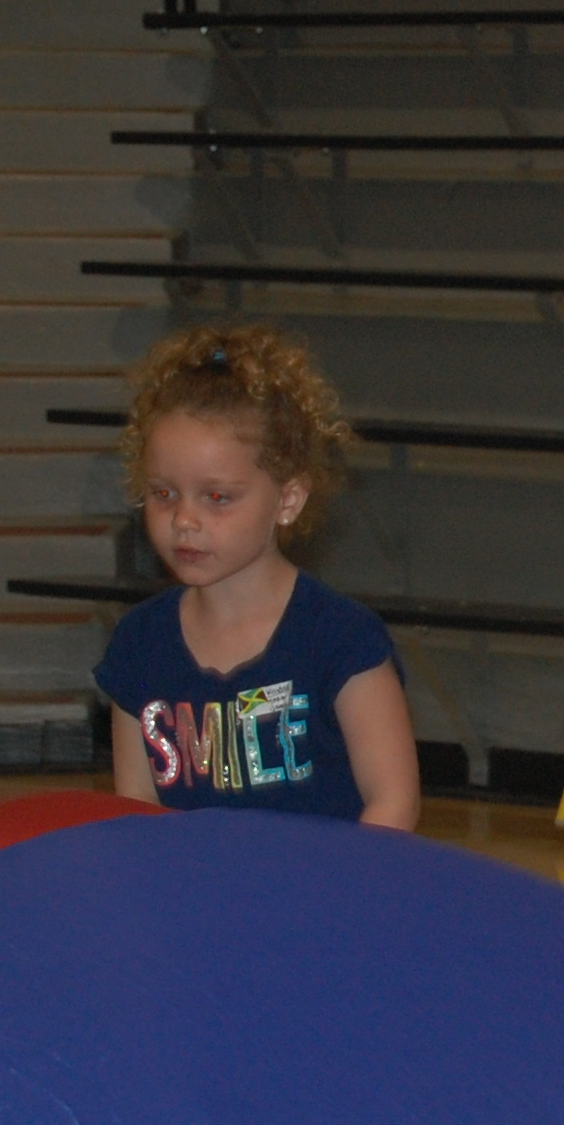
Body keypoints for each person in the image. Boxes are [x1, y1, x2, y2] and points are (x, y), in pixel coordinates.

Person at [97, 324, 420, 830]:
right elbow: (135, 813)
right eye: (163, 494)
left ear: (287, 500)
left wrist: (336, 901)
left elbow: (393, 804)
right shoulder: (138, 646)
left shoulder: (341, 640)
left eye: (217, 497)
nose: (184, 519)